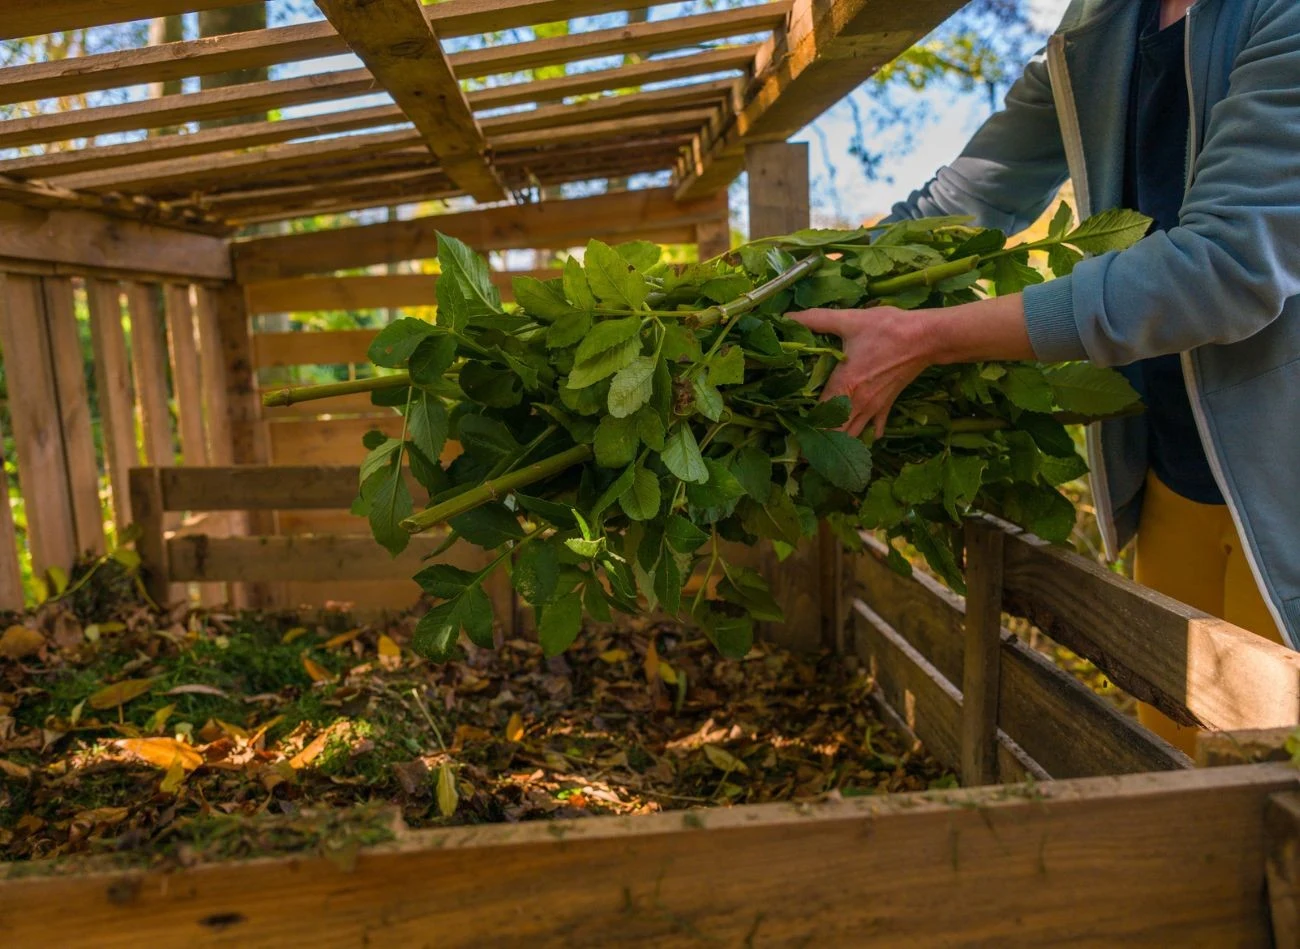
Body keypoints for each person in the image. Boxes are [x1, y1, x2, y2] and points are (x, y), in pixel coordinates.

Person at [790, 0, 1300, 753]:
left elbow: (1222, 270)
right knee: (1175, 763)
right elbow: (972, 196)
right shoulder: (1103, 20)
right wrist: (806, 290)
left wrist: (929, 338)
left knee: (1271, 780)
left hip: (1285, 478)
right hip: (1174, 466)